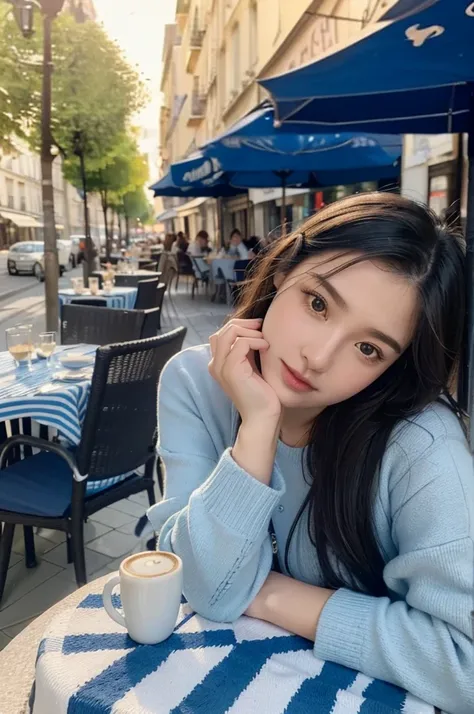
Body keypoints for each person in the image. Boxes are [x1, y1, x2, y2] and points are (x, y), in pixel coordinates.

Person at [146, 193, 473, 714]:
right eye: (318, 303)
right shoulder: (193, 383)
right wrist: (257, 427)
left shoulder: (419, 443)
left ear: (395, 366)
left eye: (369, 349)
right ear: (284, 269)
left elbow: (466, 663)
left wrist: (269, 594)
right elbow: (199, 584)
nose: (317, 358)